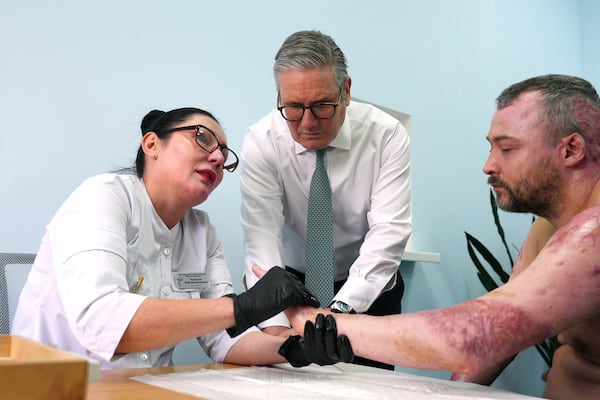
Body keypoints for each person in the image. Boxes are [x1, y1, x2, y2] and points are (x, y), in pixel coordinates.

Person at [277, 74, 600, 399]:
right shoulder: (546, 227)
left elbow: (476, 336)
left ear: (571, 149)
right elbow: (502, 338)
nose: (489, 165)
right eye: (491, 147)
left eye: (507, 148)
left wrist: (313, 319)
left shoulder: (594, 233)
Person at [11, 107, 348, 370]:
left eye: (225, 155)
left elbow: (225, 340)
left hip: (145, 389)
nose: (217, 158)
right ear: (152, 144)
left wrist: (293, 348)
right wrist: (242, 306)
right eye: (202, 138)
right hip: (56, 387)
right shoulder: (102, 197)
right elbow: (102, 321)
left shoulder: (202, 232)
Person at [240, 30, 412, 369]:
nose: (307, 123)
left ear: (346, 91)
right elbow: (261, 238)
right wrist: (276, 330)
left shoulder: (387, 135)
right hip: (290, 286)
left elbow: (389, 232)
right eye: (292, 107)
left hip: (367, 288)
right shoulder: (262, 141)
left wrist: (338, 314)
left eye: (321, 106)